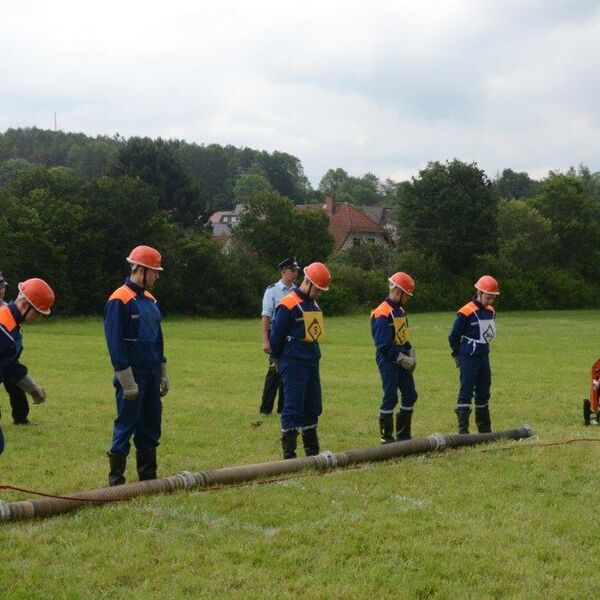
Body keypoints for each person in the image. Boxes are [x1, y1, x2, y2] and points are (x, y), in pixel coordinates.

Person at [104, 245, 169, 486]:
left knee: (151, 424)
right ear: (140, 269)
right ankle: (116, 482)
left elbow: (158, 338)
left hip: (151, 371)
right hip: (132, 374)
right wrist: (126, 379)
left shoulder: (151, 300)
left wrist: (163, 372)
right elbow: (115, 343)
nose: (157, 276)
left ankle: (148, 478)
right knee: (126, 424)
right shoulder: (119, 299)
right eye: (154, 271)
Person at [269, 262, 331, 459]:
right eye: (318, 290)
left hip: (312, 361)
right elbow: (275, 337)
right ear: (308, 282)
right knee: (293, 406)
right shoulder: (288, 305)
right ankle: (289, 455)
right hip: (293, 363)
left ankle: (312, 451)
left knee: (313, 405)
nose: (319, 294)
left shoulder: (313, 304)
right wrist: (276, 360)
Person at [0, 278, 55, 455]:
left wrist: (31, 387)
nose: (38, 318)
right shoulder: (4, 328)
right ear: (24, 305)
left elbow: (10, 365)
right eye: (38, 313)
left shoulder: (12, 325)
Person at [370, 272, 418, 443]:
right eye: (407, 295)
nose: (408, 299)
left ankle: (404, 435)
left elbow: (403, 336)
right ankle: (387, 437)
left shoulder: (401, 311)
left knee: (410, 394)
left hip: (402, 357)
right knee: (390, 396)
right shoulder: (381, 313)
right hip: (388, 360)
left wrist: (410, 352)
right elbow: (383, 345)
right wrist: (402, 359)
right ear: (398, 291)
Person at [448, 275, 499, 434]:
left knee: (484, 389)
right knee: (466, 390)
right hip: (468, 356)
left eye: (492, 298)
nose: (489, 302)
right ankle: (463, 431)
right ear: (479, 292)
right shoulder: (465, 312)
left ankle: (484, 430)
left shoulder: (490, 311)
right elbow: (453, 336)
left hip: (484, 356)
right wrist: (458, 355)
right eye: (487, 298)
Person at [257, 257, 300, 420]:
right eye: (292, 270)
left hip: (292, 338)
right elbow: (266, 317)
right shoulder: (272, 291)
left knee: (288, 373)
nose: (295, 273)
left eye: (296, 271)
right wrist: (265, 340)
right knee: (274, 373)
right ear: (283, 272)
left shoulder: (297, 292)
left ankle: (283, 408)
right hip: (276, 336)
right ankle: (265, 409)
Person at [0, 272, 31, 425]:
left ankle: (21, 418)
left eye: (2, 287)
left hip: (8, 356)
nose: (1, 290)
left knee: (16, 385)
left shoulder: (8, 308)